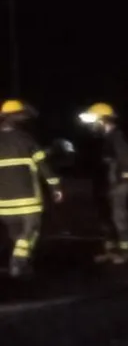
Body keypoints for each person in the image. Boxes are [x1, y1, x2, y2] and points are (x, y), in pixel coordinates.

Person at [0, 100, 63, 277]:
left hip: (3, 203)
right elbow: (44, 166)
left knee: (16, 234)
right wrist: (56, 187)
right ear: (18, 117)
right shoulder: (26, 139)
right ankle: (18, 261)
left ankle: (24, 262)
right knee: (31, 230)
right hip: (27, 199)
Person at [79, 102, 128, 264]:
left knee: (119, 217)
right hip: (108, 185)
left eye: (93, 122)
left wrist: (125, 183)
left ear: (103, 121)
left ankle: (126, 252)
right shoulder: (105, 139)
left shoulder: (117, 137)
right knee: (107, 218)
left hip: (117, 185)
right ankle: (111, 249)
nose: (92, 127)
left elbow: (126, 160)